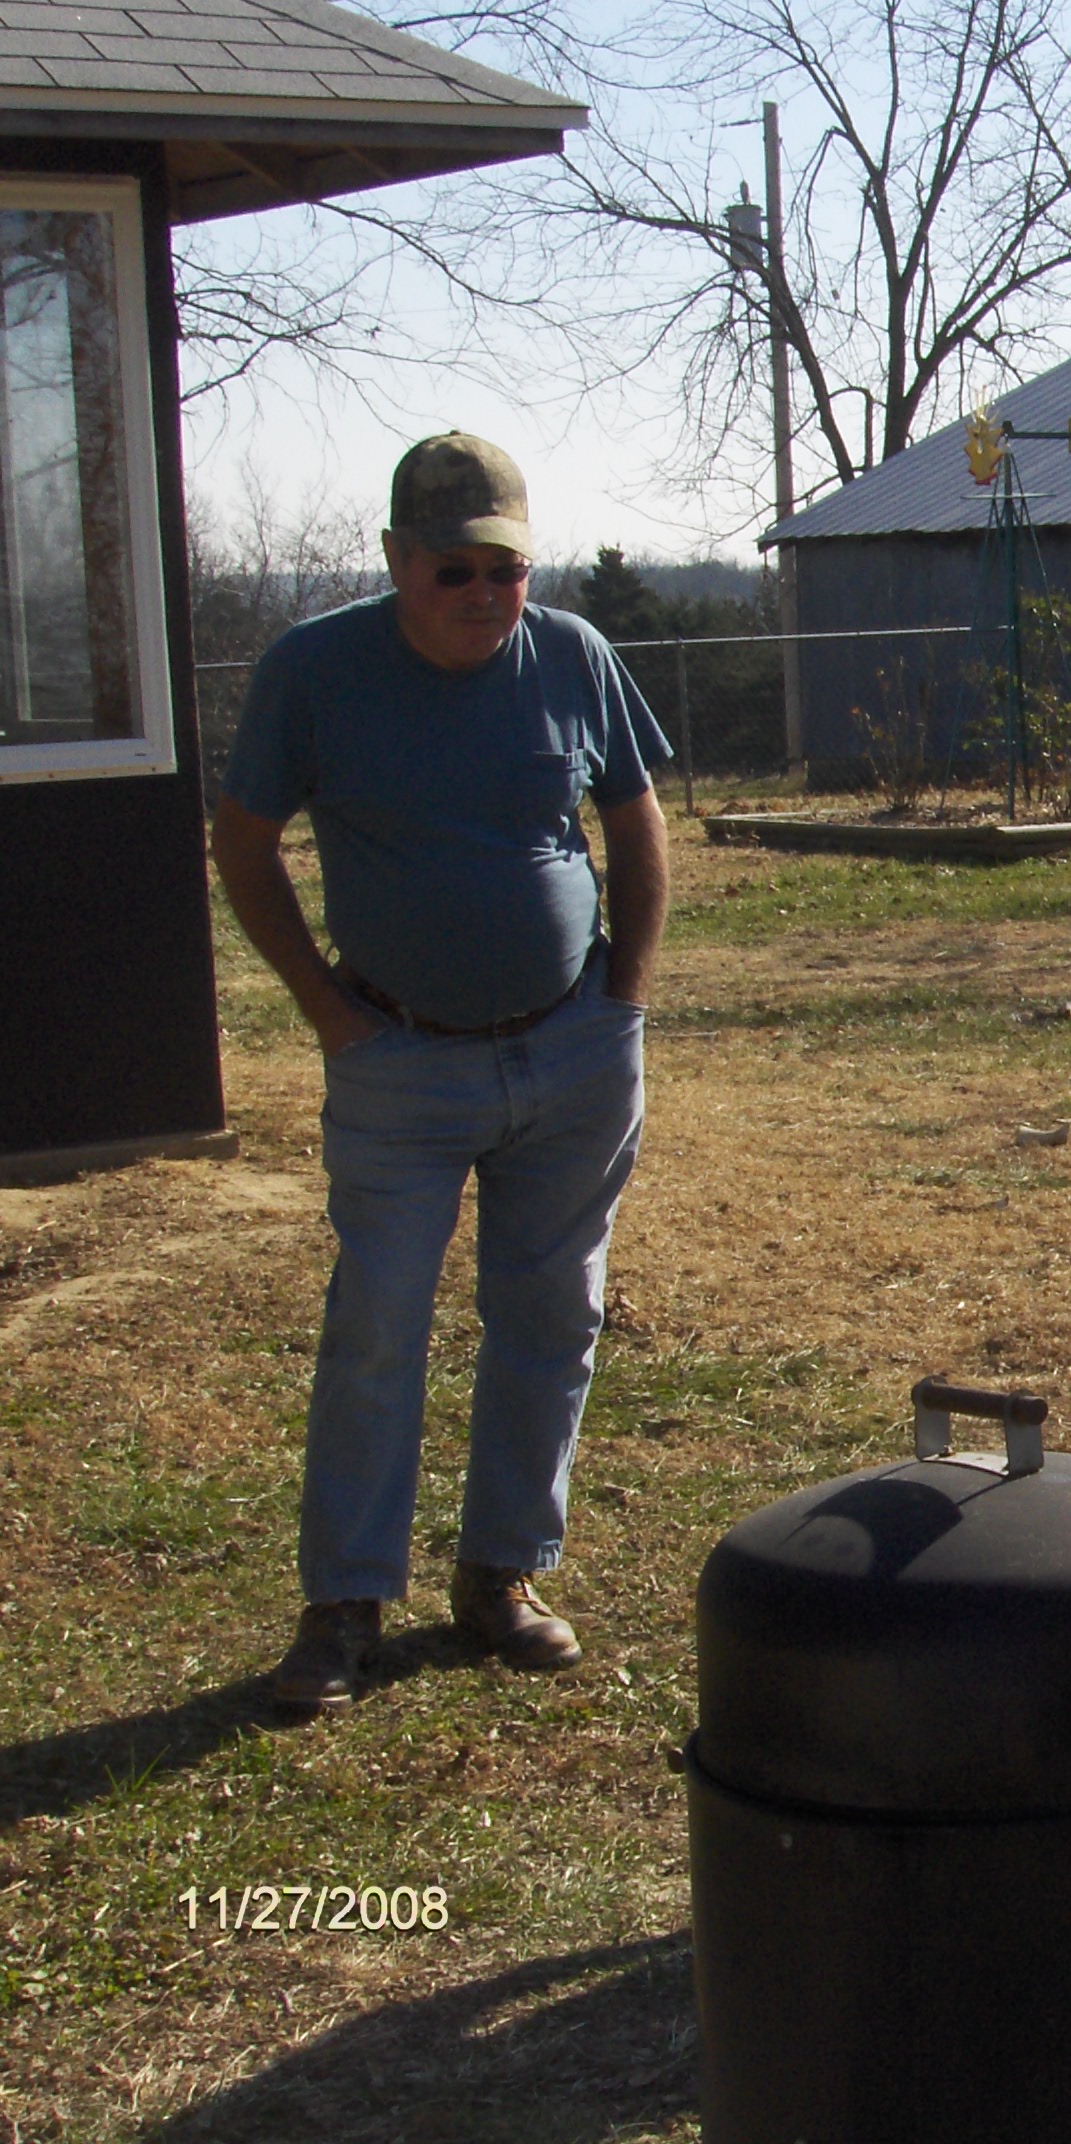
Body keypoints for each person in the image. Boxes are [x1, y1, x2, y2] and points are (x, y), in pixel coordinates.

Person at [214, 432, 672, 1719]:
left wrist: (624, 998)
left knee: (553, 1313)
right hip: (397, 1060)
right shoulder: (314, 671)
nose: (484, 593)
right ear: (397, 559)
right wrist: (328, 1011)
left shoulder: (573, 655)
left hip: (570, 1049)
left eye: (506, 568)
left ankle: (501, 1573)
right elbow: (242, 844)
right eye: (454, 569)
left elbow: (635, 824)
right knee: (378, 1325)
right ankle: (345, 1602)